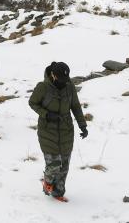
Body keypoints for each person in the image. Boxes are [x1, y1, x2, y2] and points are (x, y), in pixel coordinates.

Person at [28, 61, 88, 202]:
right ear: (53, 76)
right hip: (47, 129)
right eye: (60, 79)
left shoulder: (69, 86)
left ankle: (58, 193)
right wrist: (46, 114)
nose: (63, 82)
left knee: (64, 165)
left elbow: (75, 106)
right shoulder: (43, 87)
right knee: (54, 164)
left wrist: (82, 125)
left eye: (65, 79)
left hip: (66, 130)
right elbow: (32, 102)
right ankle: (47, 183)